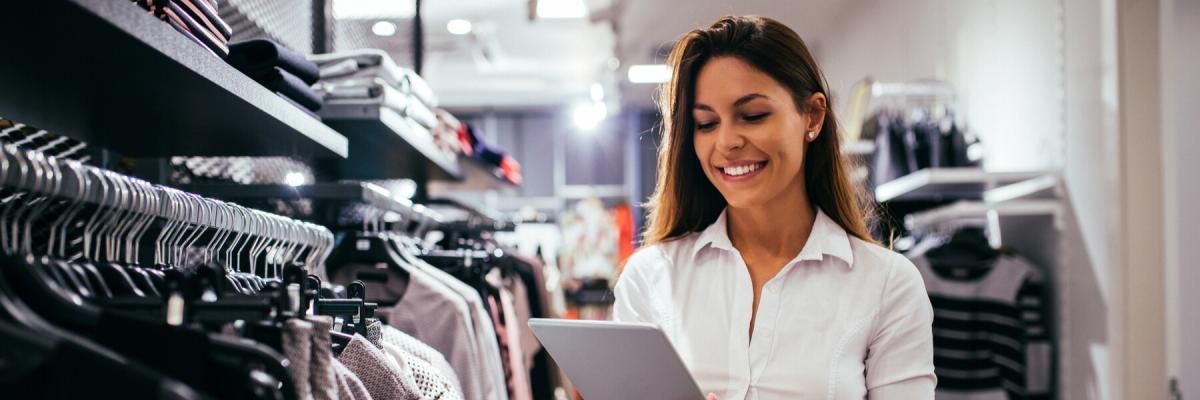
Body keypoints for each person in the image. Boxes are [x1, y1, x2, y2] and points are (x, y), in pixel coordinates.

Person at [612, 15, 936, 399]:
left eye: (753, 116)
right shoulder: (650, 277)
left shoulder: (887, 284)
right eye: (706, 124)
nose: (727, 141)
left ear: (812, 116)